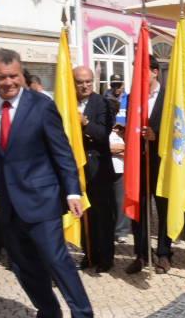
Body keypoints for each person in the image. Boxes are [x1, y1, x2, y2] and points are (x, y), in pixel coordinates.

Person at [0, 49, 97, 318]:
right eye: (2, 77)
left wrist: (72, 193)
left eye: (14, 76)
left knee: (58, 264)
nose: (8, 82)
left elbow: (61, 152)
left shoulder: (41, 106)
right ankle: (48, 316)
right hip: (8, 206)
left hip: (42, 201)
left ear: (22, 75)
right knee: (24, 267)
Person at [123, 55, 172, 274]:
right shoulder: (134, 96)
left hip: (161, 163)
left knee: (164, 210)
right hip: (138, 164)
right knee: (139, 208)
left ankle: (163, 254)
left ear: (154, 72)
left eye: (142, 71)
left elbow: (176, 131)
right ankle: (142, 254)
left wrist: (157, 136)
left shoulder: (169, 96)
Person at [73, 66, 116, 273]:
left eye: (88, 81)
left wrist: (85, 122)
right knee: (84, 215)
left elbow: (102, 134)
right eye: (80, 82)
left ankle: (107, 257)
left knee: (102, 215)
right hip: (76, 168)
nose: (85, 85)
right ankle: (89, 254)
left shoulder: (103, 103)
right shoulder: (68, 101)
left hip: (97, 168)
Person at [106, 74, 130, 244]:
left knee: (120, 200)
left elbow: (125, 148)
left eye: (118, 85)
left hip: (121, 166)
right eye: (113, 85)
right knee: (108, 202)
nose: (116, 88)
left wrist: (118, 149)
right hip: (105, 167)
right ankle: (109, 229)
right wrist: (111, 150)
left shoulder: (128, 100)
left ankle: (122, 230)